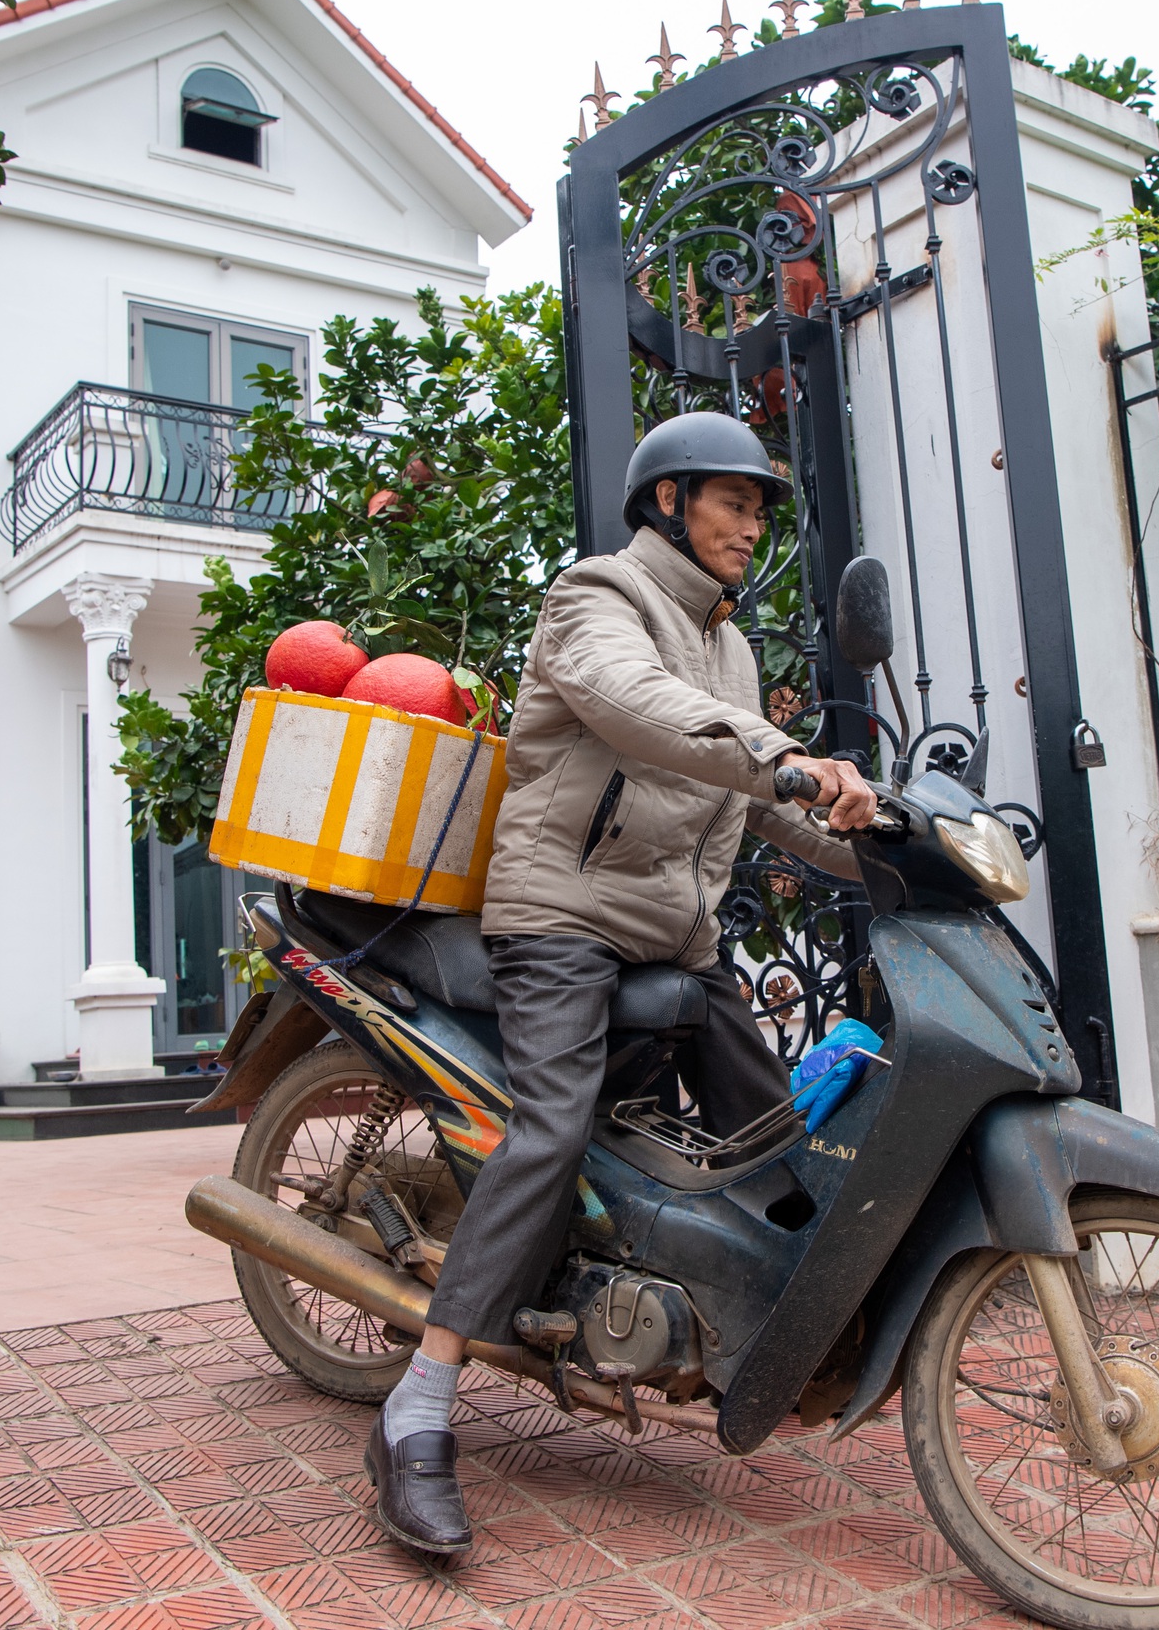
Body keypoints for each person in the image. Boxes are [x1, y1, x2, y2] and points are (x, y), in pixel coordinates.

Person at [363, 411, 879, 1555]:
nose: (751, 525)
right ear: (667, 503)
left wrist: (898, 847)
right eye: (732, 502)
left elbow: (754, 797)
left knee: (775, 1130)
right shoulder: (594, 599)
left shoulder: (730, 649)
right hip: (561, 922)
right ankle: (421, 1405)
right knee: (548, 1131)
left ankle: (760, 1327)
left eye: (757, 508)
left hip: (675, 943)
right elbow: (640, 711)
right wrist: (786, 759)